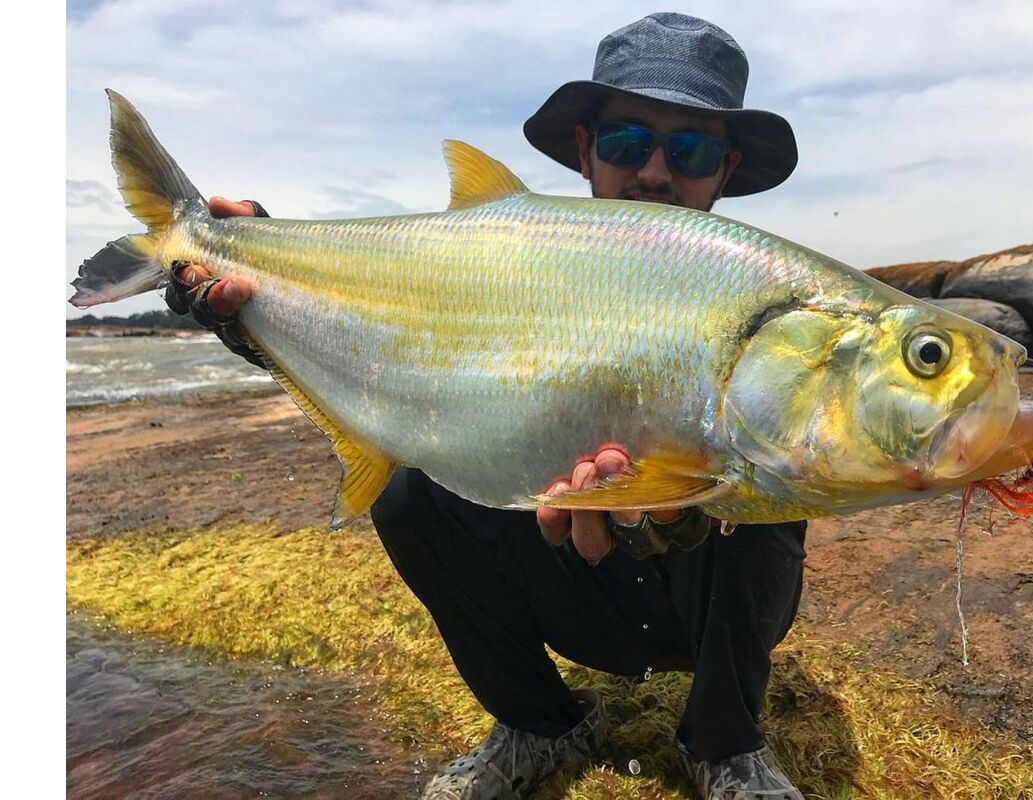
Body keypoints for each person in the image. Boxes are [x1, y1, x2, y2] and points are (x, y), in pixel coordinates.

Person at [169, 13, 808, 800]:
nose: (653, 171)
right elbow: (387, 347)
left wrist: (689, 508)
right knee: (407, 493)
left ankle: (727, 743)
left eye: (690, 151)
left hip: (703, 611)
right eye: (625, 142)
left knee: (774, 464)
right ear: (586, 150)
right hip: (570, 587)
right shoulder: (502, 264)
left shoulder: (754, 294)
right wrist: (256, 293)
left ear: (725, 169)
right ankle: (542, 723)